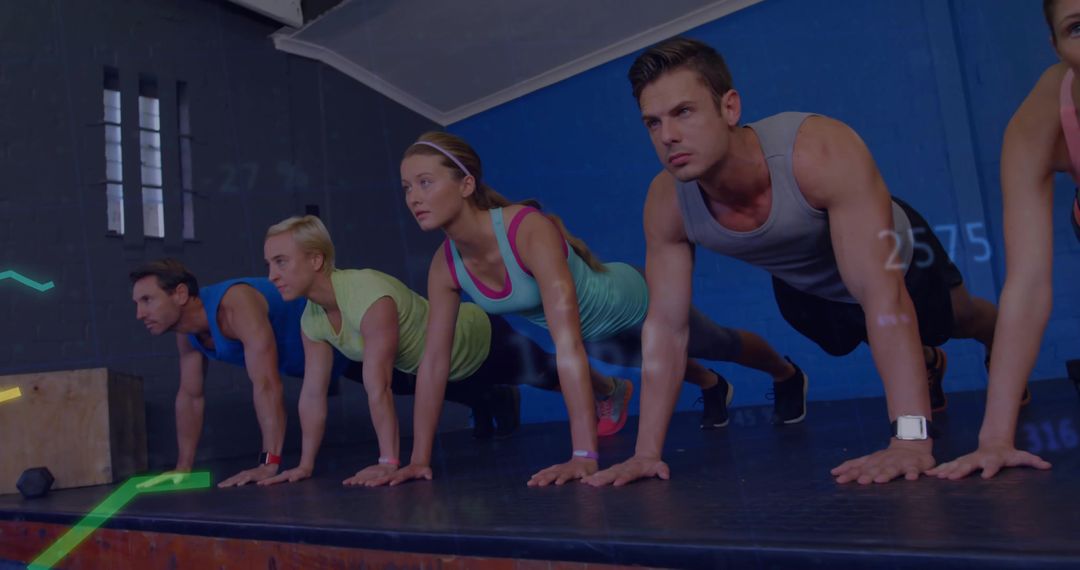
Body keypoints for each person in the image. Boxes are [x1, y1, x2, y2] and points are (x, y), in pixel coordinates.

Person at [588, 37, 1000, 487]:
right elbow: (667, 328)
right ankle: (923, 359)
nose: (667, 136)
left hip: (894, 257)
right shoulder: (666, 202)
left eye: (683, 112)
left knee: (951, 319)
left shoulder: (817, 150)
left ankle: (991, 332)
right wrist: (645, 453)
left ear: (729, 108)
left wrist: (910, 440)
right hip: (806, 288)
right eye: (653, 122)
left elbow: (883, 297)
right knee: (846, 331)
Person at [389, 132, 804, 488]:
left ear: (465, 184)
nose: (414, 198)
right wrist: (418, 460)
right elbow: (434, 363)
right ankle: (712, 385)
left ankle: (786, 374)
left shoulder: (525, 230)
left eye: (425, 182)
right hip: (597, 337)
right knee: (639, 359)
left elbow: (566, 343)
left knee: (717, 342)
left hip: (633, 299)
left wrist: (584, 453)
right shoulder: (446, 266)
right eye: (407, 187)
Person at [256, 216, 605, 487]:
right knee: (405, 377)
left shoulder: (367, 295)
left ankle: (612, 389)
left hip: (479, 340)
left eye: (281, 262)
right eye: (269, 264)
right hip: (433, 371)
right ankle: (494, 398)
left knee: (551, 376)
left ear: (316, 259)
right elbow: (312, 395)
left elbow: (379, 386)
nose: (272, 275)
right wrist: (304, 465)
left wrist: (388, 462)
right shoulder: (312, 319)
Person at [927, 0, 1079, 480]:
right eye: (1078, 28)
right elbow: (1028, 286)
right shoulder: (1041, 121)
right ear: (1056, 47)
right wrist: (995, 439)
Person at [130, 258, 347, 487]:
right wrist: (183, 469)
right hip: (328, 361)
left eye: (147, 300)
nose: (139, 313)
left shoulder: (236, 303)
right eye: (136, 303)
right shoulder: (187, 332)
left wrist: (268, 464)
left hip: (352, 339)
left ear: (181, 294)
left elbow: (267, 385)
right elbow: (190, 396)